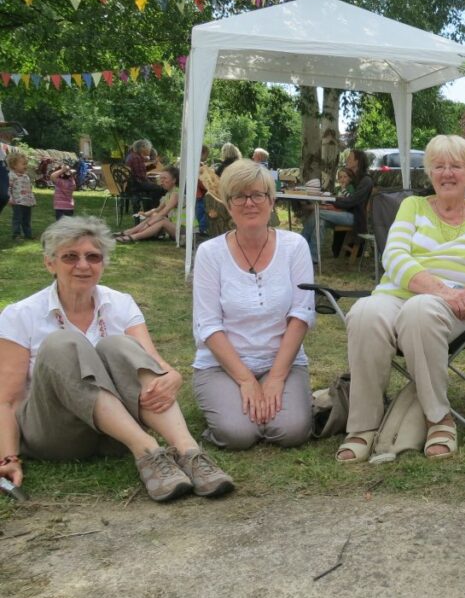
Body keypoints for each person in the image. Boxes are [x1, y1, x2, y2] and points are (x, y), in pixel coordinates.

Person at [0, 216, 234, 502]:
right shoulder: (20, 314)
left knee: (118, 344)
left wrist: (171, 375)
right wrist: (7, 457)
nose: (83, 265)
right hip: (57, 433)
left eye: (93, 257)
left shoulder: (120, 303)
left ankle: (189, 452)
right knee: (64, 344)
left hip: (114, 436)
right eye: (70, 257)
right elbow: (7, 399)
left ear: (103, 263)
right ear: (50, 263)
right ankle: (147, 450)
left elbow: (151, 362)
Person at [338, 135, 465, 462]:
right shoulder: (412, 207)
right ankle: (364, 427)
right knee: (365, 311)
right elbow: (393, 257)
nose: (447, 173)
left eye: (456, 166)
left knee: (420, 310)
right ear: (429, 173)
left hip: (457, 311)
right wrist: (443, 291)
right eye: (439, 166)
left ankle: (439, 419)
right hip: (404, 295)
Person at [191, 159, 316, 451]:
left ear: (271, 201)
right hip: (222, 366)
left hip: (282, 361)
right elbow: (208, 326)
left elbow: (301, 315)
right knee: (238, 435)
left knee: (292, 431)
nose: (249, 203)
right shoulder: (209, 253)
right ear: (227, 203)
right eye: (239, 196)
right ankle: (238, 410)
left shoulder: (295, 246)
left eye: (258, 195)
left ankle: (261, 409)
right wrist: (246, 380)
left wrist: (276, 377)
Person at [300, 148, 373, 265]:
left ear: (357, 162)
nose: (347, 160)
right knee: (320, 222)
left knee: (318, 212)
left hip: (355, 218)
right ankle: (313, 257)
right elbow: (345, 198)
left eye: (350, 158)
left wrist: (332, 201)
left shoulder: (366, 180)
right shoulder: (353, 179)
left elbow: (351, 201)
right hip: (343, 213)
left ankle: (299, 246)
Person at [115, 168, 186, 244]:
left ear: (174, 180)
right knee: (155, 216)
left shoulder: (176, 194)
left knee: (162, 220)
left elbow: (164, 212)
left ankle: (133, 236)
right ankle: (129, 232)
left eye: (165, 178)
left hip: (186, 232)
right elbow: (157, 209)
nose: (162, 181)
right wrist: (146, 214)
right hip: (176, 228)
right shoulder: (169, 194)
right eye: (161, 178)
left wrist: (148, 224)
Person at [125, 139, 163, 212]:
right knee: (160, 189)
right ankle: (153, 210)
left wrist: (153, 165)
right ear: (143, 148)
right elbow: (142, 177)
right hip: (136, 185)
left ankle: (148, 208)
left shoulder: (132, 156)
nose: (149, 150)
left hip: (132, 184)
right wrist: (151, 182)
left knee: (153, 187)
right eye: (148, 148)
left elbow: (140, 170)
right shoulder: (137, 158)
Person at [8, 149, 36, 239]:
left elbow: (29, 189)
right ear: (14, 165)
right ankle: (16, 234)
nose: (25, 166)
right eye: (23, 164)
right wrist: (10, 198)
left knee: (26, 220)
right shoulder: (12, 175)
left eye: (26, 164)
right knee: (18, 219)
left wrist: (32, 200)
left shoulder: (25, 176)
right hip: (17, 202)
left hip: (27, 202)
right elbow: (9, 188)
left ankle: (28, 235)